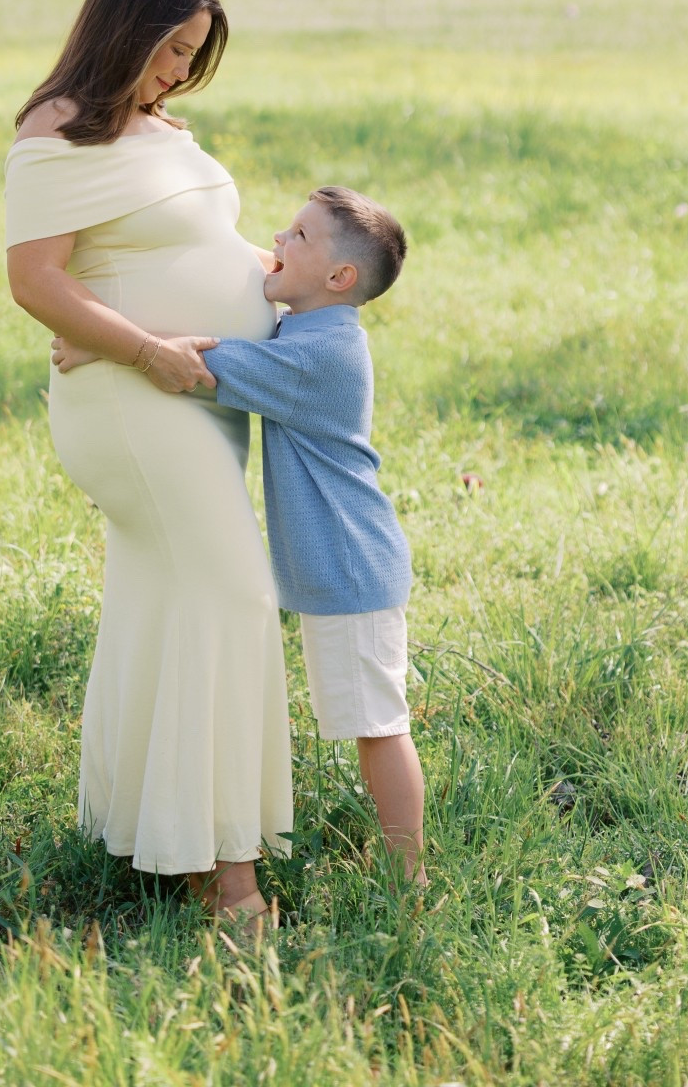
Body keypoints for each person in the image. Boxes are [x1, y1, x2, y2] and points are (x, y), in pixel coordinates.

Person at [5, 0, 291, 928]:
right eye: (170, 49)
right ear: (122, 28)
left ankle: (147, 831)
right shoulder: (56, 130)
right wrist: (140, 345)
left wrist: (309, 280)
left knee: (163, 595)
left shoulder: (167, 128)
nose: (177, 71)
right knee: (235, 591)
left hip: (198, 397)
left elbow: (207, 247)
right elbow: (37, 278)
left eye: (193, 56)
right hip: (131, 399)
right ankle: (231, 878)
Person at [57, 184, 425, 883]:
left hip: (351, 568)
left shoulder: (321, 355)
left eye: (298, 237)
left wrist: (100, 344)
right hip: (341, 567)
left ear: (339, 279)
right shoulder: (313, 330)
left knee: (377, 722)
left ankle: (407, 870)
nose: (278, 243)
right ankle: (400, 860)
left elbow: (199, 365)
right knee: (367, 716)